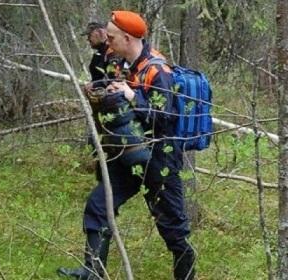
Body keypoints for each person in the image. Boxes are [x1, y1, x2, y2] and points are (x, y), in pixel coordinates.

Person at [58, 11, 195, 280]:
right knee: (99, 205)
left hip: (159, 160)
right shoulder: (122, 65)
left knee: (173, 229)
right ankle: (92, 272)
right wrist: (103, 92)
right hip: (127, 153)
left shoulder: (158, 70)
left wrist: (133, 97)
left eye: (111, 37)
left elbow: (165, 119)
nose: (107, 42)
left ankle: (186, 274)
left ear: (128, 38)